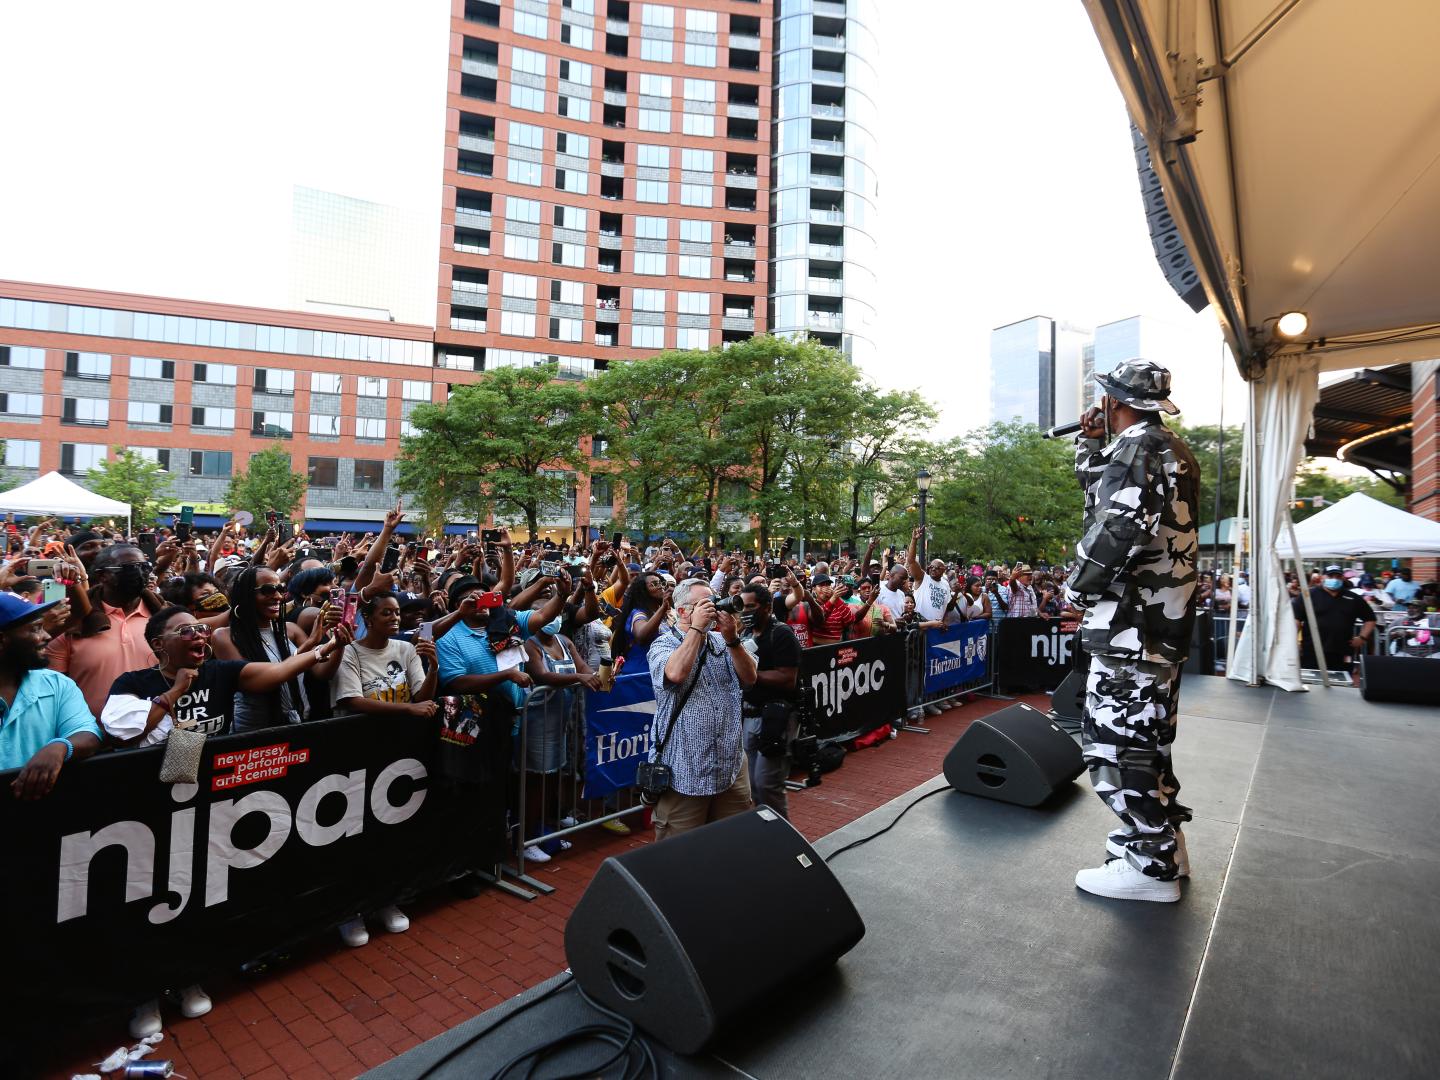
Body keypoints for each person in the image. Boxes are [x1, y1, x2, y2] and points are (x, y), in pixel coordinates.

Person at [1064, 359, 1200, 904]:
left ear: (1114, 402)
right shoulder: (1169, 447)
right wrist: (1089, 444)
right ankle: (1161, 846)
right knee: (1148, 743)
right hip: (1158, 627)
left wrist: (1077, 589)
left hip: (1130, 628)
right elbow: (1107, 495)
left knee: (1116, 748)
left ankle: (1151, 867)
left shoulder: (1138, 446)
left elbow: (1119, 525)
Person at [329, 592, 438, 946]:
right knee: (354, 836)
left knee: (391, 832)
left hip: (399, 756)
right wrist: (406, 710)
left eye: (396, 613)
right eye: (386, 613)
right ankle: (351, 912)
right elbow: (351, 700)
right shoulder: (350, 653)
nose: (394, 618)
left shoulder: (406, 650)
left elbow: (421, 697)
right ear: (367, 617)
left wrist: (433, 669)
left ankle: (386, 901)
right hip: (358, 755)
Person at [645, 579, 757, 840]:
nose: (713, 608)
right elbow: (674, 673)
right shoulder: (663, 645)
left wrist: (732, 639)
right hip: (685, 771)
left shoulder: (721, 640)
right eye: (703, 604)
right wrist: (696, 628)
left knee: (733, 842)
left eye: (714, 601)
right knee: (679, 855)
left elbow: (750, 677)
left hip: (730, 767)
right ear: (683, 611)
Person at [212, 566, 344, 730]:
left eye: (280, 589)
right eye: (267, 590)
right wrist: (318, 649)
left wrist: (338, 644)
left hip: (296, 723)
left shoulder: (290, 630)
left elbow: (323, 672)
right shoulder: (225, 636)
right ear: (245, 594)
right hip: (253, 732)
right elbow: (260, 682)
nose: (277, 596)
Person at [0, 591, 101, 798]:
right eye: (35, 629)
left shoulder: (57, 684)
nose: (46, 636)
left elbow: (88, 733)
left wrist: (60, 747)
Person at [45, 543, 158, 718]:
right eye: (130, 568)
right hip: (91, 739)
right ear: (103, 576)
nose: (140, 573)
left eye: (145, 567)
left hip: (154, 735)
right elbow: (52, 691)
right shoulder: (73, 625)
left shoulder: (164, 618)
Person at [739, 583, 801, 817]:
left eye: (751, 606)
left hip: (776, 719)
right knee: (753, 786)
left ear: (767, 607)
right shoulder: (745, 634)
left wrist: (750, 674)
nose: (745, 611)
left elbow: (788, 677)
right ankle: (767, 834)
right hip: (749, 716)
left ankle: (784, 842)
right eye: (742, 606)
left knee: (767, 784)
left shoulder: (782, 633)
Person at [1293, 564, 1376, 670]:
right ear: (1322, 577)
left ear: (1342, 578)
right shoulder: (1308, 595)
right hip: (1312, 650)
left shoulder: (1353, 598)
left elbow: (1370, 619)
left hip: (1342, 650)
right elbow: (1296, 619)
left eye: (1338, 576)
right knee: (1312, 681)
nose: (1334, 579)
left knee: (1343, 681)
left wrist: (1362, 637)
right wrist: (1293, 641)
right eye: (1330, 576)